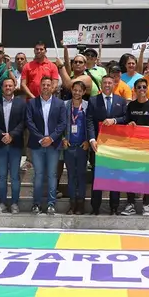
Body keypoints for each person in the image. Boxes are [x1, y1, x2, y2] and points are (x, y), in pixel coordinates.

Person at [87, 73, 128, 215]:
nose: (107, 85)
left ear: (114, 84)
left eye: (110, 83)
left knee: (114, 177)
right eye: (104, 83)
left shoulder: (121, 101)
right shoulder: (93, 101)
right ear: (101, 85)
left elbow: (126, 118)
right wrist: (92, 139)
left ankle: (114, 207)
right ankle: (95, 207)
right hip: (98, 145)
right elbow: (90, 121)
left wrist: (114, 120)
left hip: (115, 146)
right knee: (97, 176)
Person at [26, 75, 66, 216]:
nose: (46, 87)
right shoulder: (32, 103)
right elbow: (29, 123)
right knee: (38, 175)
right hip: (37, 145)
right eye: (43, 85)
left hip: (53, 145)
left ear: (52, 87)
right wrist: (41, 138)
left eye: (48, 85)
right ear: (39, 86)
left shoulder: (60, 104)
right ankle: (36, 204)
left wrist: (52, 138)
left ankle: (51, 204)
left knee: (52, 175)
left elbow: (62, 124)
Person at [122, 77, 149, 216]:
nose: (142, 90)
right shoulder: (131, 106)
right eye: (139, 87)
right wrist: (130, 125)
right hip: (133, 147)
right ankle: (131, 204)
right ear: (135, 90)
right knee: (131, 175)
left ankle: (146, 205)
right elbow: (126, 124)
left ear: (147, 88)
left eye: (144, 87)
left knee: (148, 176)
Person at [0, 77, 26, 214]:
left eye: (10, 85)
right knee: (2, 176)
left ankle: (15, 203)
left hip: (15, 144)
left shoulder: (21, 103)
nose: (8, 88)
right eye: (5, 86)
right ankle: (2, 203)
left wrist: (12, 135)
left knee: (15, 175)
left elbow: (23, 122)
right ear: (2, 88)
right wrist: (1, 135)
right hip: (0, 144)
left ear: (14, 86)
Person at [61, 80, 90, 215]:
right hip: (69, 146)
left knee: (81, 176)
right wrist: (63, 138)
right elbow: (60, 124)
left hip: (82, 147)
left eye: (80, 90)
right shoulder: (65, 105)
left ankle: (81, 204)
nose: (77, 92)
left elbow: (90, 125)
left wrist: (88, 141)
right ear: (71, 90)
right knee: (71, 176)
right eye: (75, 90)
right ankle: (72, 204)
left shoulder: (87, 106)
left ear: (84, 92)